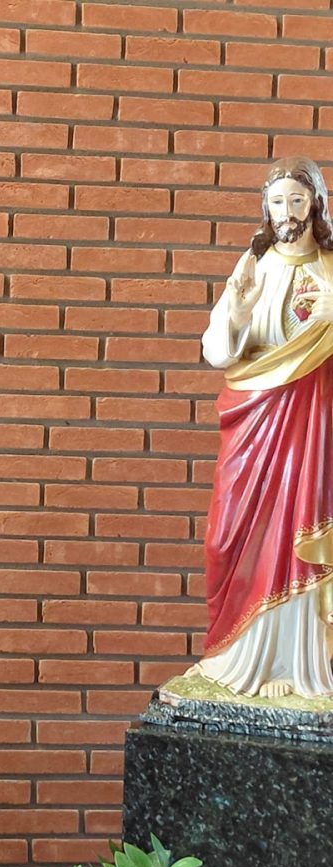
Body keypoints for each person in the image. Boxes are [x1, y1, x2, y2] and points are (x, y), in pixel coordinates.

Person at [187, 156, 333, 699]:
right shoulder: (254, 267)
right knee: (228, 534)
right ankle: (238, 654)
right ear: (265, 210)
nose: (287, 212)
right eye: (277, 202)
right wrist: (237, 312)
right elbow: (217, 350)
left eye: (297, 199)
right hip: (254, 420)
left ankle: (297, 663)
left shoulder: (332, 271)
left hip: (314, 424)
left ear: (316, 205)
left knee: (300, 523)